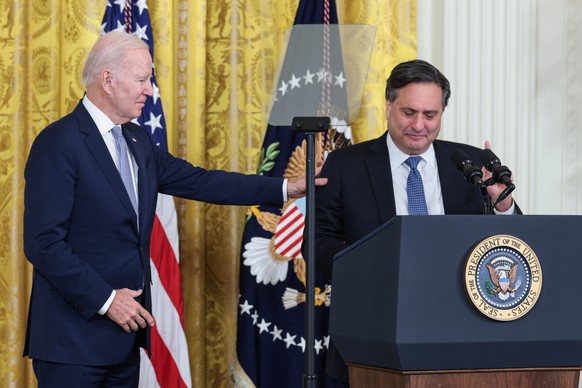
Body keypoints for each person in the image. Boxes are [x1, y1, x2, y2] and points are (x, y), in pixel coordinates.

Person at [22, 31, 326, 387]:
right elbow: (44, 244)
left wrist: (286, 187)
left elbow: (203, 182)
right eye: (141, 79)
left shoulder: (136, 140)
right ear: (108, 80)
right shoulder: (59, 143)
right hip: (71, 343)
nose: (149, 90)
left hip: (123, 343)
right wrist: (106, 300)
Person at [313, 59, 520, 384]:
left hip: (462, 329)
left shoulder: (468, 164)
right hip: (373, 329)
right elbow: (316, 243)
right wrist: (375, 270)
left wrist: (503, 204)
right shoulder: (344, 165)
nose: (419, 125)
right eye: (409, 113)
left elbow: (510, 246)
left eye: (430, 115)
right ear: (388, 106)